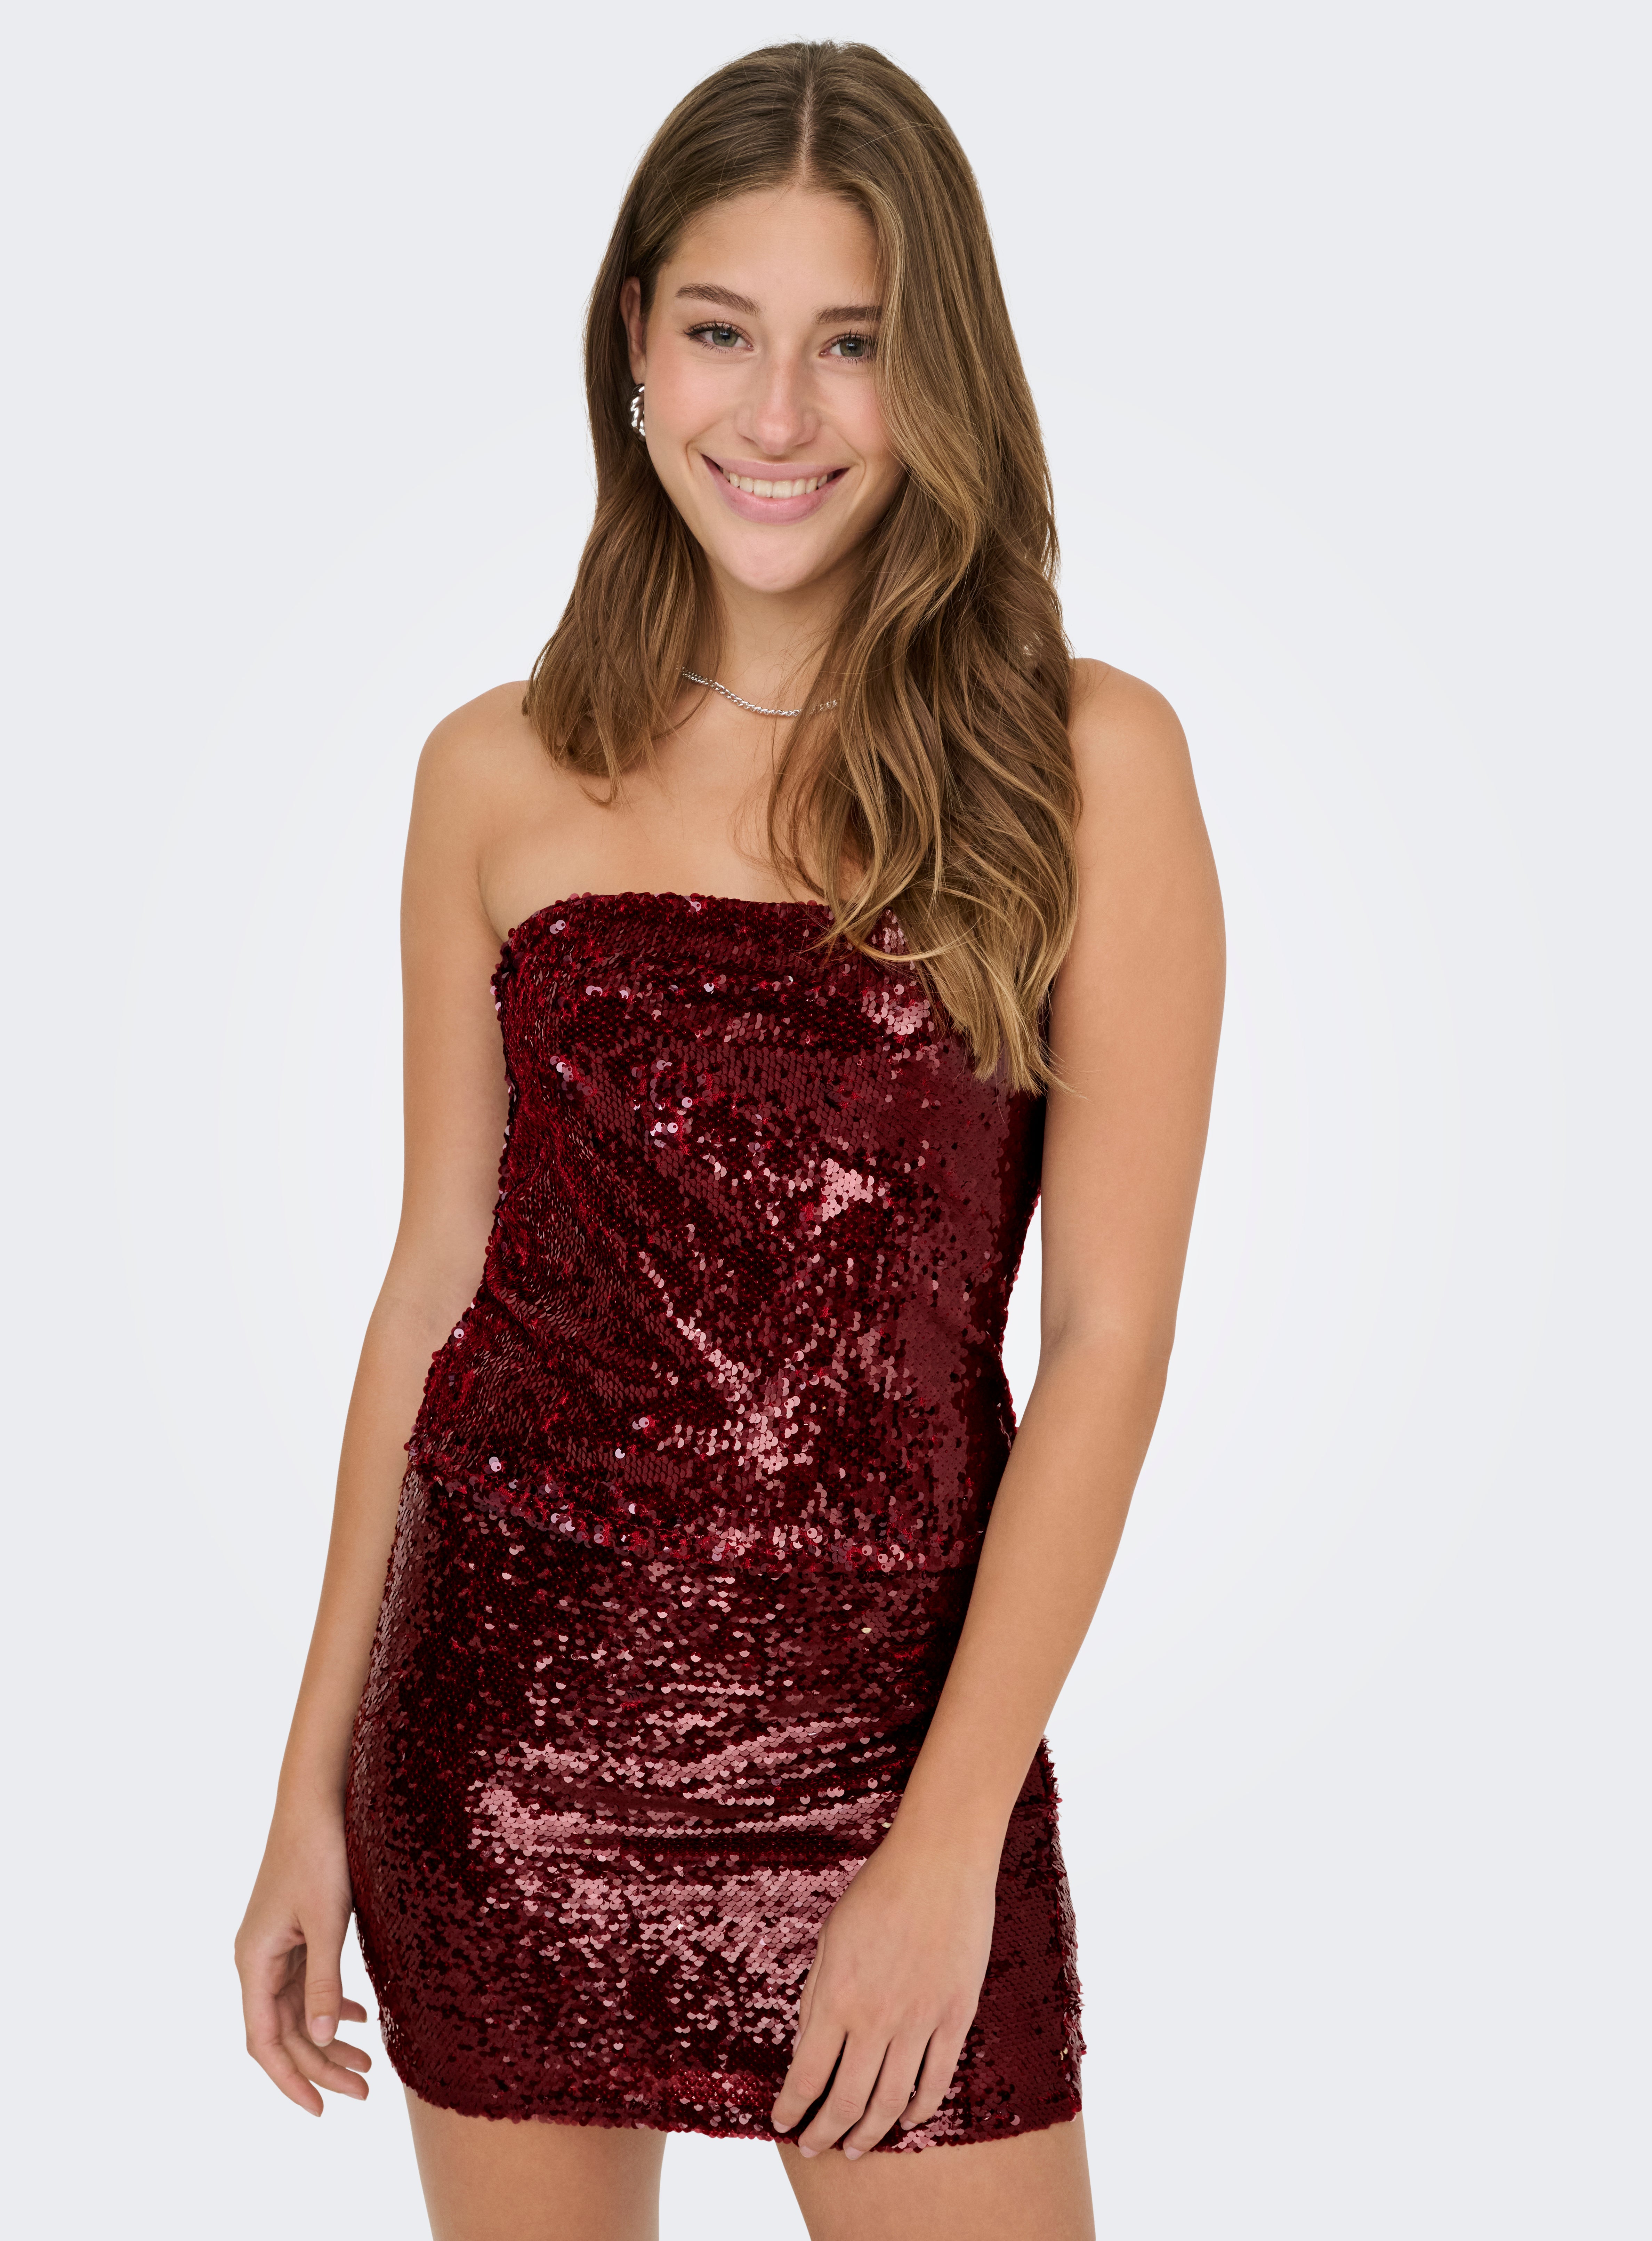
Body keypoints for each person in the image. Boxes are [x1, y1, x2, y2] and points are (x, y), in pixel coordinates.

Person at [234, 39, 1224, 2241]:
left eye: (851, 343)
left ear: (941, 371)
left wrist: (946, 1848)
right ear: (633, 346)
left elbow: (1111, 1343)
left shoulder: (1089, 763)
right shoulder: (493, 774)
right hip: (501, 1746)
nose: (778, 414)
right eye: (720, 331)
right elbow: (437, 1283)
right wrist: (307, 1786)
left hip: (898, 1766)